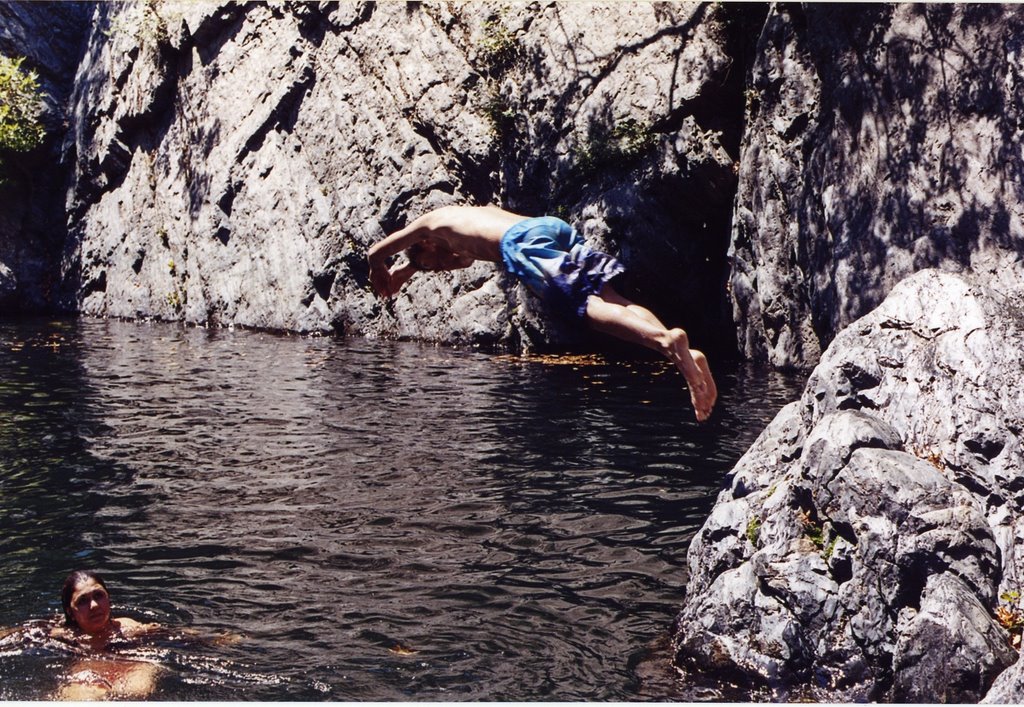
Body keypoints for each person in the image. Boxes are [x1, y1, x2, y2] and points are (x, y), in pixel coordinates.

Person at [367, 205, 718, 421]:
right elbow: (457, 253)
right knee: (609, 296)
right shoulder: (461, 221)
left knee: (585, 307)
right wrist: (408, 271)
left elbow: (375, 251)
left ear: (425, 244)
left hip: (521, 243)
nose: (444, 267)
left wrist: (379, 268)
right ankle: (679, 351)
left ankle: (665, 341)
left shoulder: (428, 225)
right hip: (550, 227)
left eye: (435, 262)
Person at [49, 570, 162, 701]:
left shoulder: (129, 628)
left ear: (109, 598)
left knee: (137, 690)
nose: (94, 605)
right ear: (70, 612)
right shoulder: (62, 635)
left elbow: (177, 635)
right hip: (86, 670)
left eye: (98, 595)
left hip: (129, 666)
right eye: (82, 601)